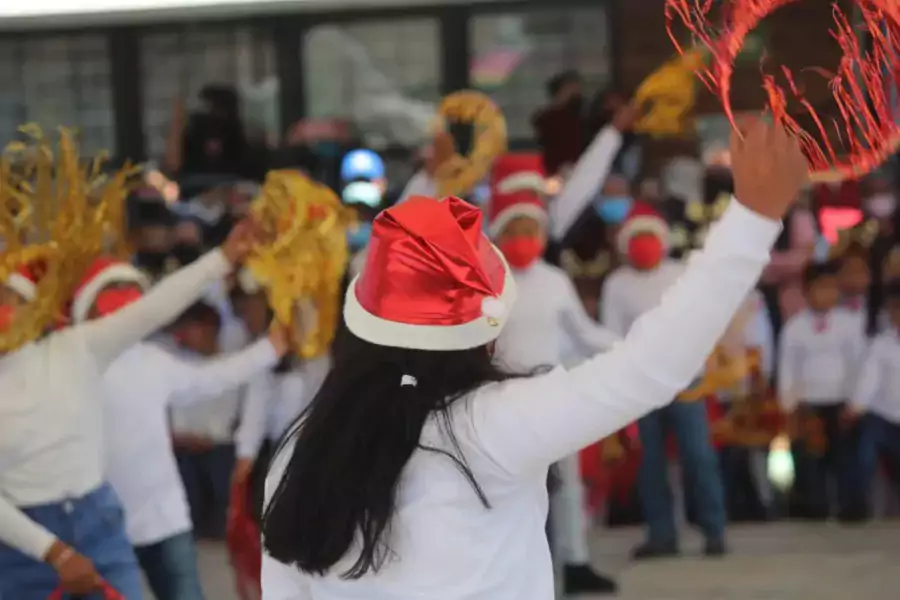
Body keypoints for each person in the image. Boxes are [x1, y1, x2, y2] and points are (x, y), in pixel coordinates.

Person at [259, 118, 808, 599]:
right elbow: (650, 367)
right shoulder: (490, 423)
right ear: (487, 333)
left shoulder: (303, 447)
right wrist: (752, 219)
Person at [0, 220, 260, 599]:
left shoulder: (78, 348)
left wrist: (222, 258)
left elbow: (152, 309)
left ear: (31, 302)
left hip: (99, 527)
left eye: (10, 296)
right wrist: (53, 552)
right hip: (23, 545)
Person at [68, 257, 289, 600]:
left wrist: (268, 349)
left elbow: (212, 378)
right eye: (111, 294)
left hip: (165, 520)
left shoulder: (152, 360)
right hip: (100, 527)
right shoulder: (70, 366)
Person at [487, 163, 621, 595]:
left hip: (552, 394)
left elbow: (585, 334)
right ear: (498, 234)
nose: (525, 239)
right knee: (513, 491)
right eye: (515, 229)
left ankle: (576, 562)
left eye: (532, 229)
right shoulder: (486, 284)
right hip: (503, 399)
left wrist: (632, 345)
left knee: (567, 486)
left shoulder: (556, 281)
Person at [601, 202, 729, 558]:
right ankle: (662, 535)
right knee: (649, 462)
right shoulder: (617, 284)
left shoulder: (683, 272)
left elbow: (703, 319)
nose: (644, 245)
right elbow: (611, 336)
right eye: (637, 239)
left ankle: (714, 529)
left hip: (685, 380)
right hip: (640, 384)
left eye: (649, 237)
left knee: (699, 456)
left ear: (661, 240)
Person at [778, 262, 868, 520]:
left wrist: (856, 402)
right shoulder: (794, 327)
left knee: (846, 458)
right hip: (808, 403)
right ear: (807, 291)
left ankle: (851, 507)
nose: (826, 294)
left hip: (841, 401)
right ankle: (814, 507)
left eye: (831, 288)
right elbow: (788, 367)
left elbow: (859, 364)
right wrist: (790, 405)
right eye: (820, 288)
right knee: (810, 459)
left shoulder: (850, 324)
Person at [167, 302, 244, 540]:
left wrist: (205, 437)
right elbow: (176, 409)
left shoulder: (232, 365)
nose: (184, 335)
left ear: (209, 328)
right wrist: (183, 435)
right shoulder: (178, 363)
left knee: (221, 464)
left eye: (191, 328)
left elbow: (228, 416)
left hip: (217, 444)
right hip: (184, 444)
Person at [847, 280, 900, 511]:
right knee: (864, 452)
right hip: (884, 416)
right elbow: (869, 377)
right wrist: (856, 406)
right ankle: (858, 505)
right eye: (895, 308)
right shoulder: (881, 343)